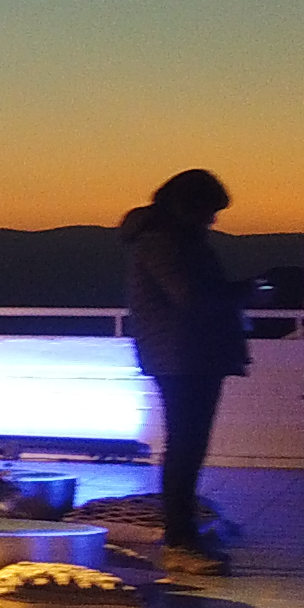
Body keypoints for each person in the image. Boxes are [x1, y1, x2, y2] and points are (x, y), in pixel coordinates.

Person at [120, 168, 246, 578]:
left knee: (188, 446)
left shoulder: (171, 240)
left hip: (187, 354)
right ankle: (179, 541)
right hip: (183, 355)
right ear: (190, 206)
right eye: (210, 209)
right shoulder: (164, 242)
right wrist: (247, 291)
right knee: (186, 447)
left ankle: (183, 536)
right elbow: (190, 296)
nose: (213, 219)